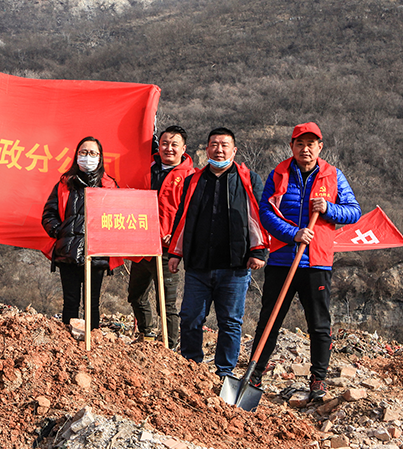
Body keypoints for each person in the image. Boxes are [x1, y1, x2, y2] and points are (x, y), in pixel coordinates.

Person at [248, 122, 361, 402]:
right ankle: (255, 373)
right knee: (269, 321)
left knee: (319, 324)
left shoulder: (333, 176)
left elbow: (354, 212)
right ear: (292, 146)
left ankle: (318, 378)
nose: (305, 148)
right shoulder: (279, 173)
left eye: (311, 143)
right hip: (283, 260)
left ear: (320, 147)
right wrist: (293, 233)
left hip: (317, 262)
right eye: (300, 143)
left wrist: (329, 209)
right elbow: (265, 212)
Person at [167, 127, 268, 377]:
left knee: (230, 322)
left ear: (234, 150)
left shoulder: (248, 179)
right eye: (214, 144)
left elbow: (258, 217)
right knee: (190, 318)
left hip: (235, 265)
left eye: (224, 145)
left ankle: (225, 372)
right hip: (198, 264)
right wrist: (175, 253)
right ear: (206, 149)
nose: (218, 149)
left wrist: (259, 252)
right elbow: (182, 218)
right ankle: (190, 367)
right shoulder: (194, 180)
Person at [127, 125, 196, 348]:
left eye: (174, 144)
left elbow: (189, 214)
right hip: (141, 244)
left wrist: (176, 238)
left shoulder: (190, 177)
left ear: (183, 148)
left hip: (167, 250)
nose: (168, 148)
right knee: (136, 295)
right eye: (164, 143)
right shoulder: (146, 166)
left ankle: (170, 345)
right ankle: (146, 334)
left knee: (166, 303)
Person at [42, 136, 119, 330]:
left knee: (92, 303)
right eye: (83, 152)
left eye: (93, 153)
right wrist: (59, 232)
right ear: (77, 156)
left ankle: (91, 341)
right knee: (70, 301)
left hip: (97, 252)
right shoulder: (64, 183)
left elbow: (118, 217)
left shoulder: (109, 186)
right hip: (68, 251)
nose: (88, 157)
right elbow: (49, 213)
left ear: (100, 158)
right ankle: (69, 342)